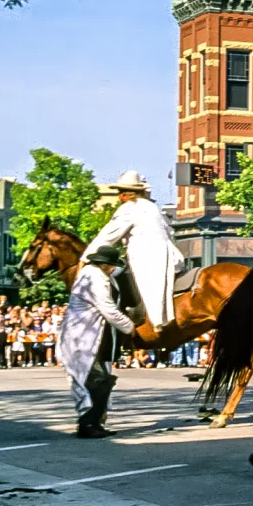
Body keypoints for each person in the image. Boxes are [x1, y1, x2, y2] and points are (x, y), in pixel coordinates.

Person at [83, 170, 185, 330]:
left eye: (120, 193)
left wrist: (86, 257)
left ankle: (128, 319)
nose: (119, 197)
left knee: (116, 279)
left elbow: (107, 236)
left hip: (145, 257)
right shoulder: (152, 207)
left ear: (126, 194)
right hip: (169, 255)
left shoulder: (128, 209)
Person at [58, 245, 134, 438]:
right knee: (96, 381)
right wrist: (131, 327)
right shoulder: (94, 280)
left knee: (100, 380)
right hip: (82, 337)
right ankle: (88, 424)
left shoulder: (94, 273)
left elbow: (119, 270)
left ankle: (95, 422)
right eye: (111, 266)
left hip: (90, 335)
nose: (112, 269)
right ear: (104, 264)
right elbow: (108, 309)